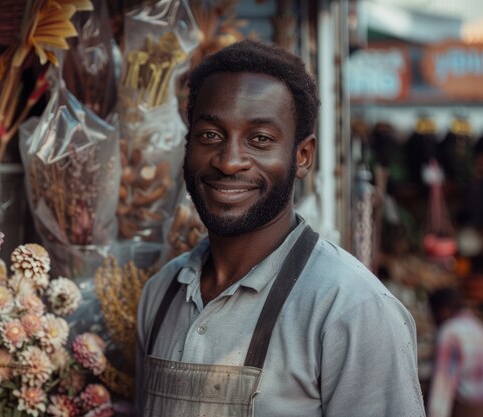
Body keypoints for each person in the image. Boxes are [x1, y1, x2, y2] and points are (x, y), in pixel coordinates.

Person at [135, 39, 425, 417]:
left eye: (260, 139)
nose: (229, 161)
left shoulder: (351, 309)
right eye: (210, 135)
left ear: (302, 156)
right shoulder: (161, 294)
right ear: (188, 146)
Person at [427, 286, 483, 417]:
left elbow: (442, 387)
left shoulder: (450, 331)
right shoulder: (478, 327)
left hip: (464, 409)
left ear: (443, 311)